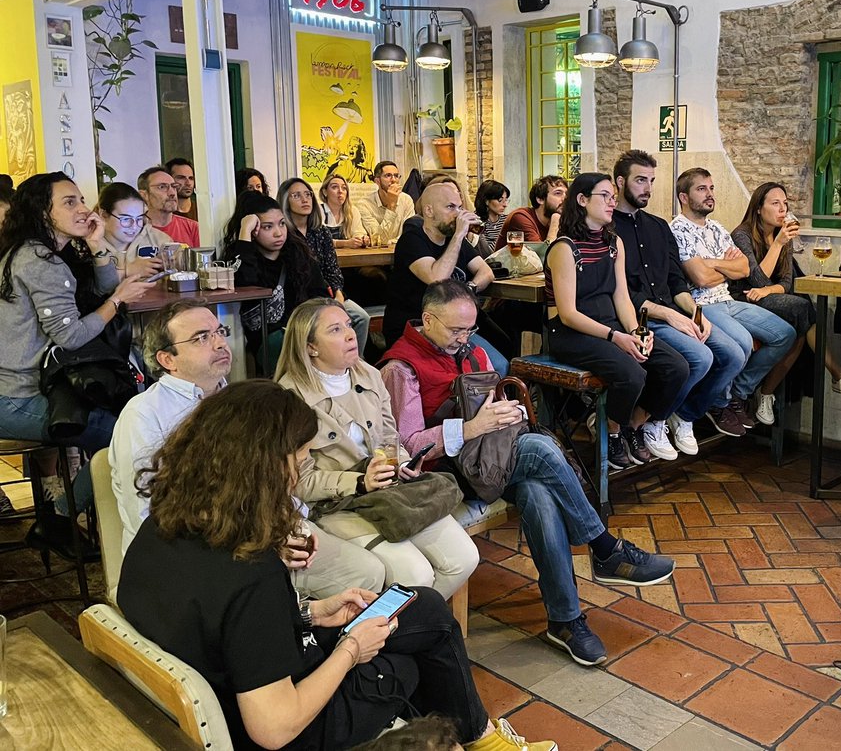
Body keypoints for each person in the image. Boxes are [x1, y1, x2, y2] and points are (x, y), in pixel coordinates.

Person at [118, 379, 556, 751]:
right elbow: (274, 728)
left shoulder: (161, 528)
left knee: (420, 607)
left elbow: (228, 632)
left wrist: (310, 613)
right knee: (406, 665)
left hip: (234, 685)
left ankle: (478, 737)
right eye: (299, 456)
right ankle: (466, 739)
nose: (302, 468)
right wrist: (350, 651)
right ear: (264, 467)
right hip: (281, 729)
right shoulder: (251, 577)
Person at [382, 280, 675, 666]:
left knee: (538, 493)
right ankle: (604, 548)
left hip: (490, 459)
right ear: (427, 319)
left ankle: (565, 621)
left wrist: (508, 412)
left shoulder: (470, 349)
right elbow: (407, 449)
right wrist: (470, 428)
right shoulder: (400, 368)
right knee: (538, 448)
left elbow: (495, 402)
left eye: (470, 330)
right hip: (446, 476)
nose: (465, 339)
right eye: (456, 331)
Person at [111, 299, 386, 599]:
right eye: (202, 337)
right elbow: (148, 516)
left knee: (370, 571)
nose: (219, 343)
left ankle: (324, 635)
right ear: (167, 359)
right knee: (365, 575)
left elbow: (270, 478)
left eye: (220, 331)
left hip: (261, 529)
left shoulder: (236, 398)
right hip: (199, 554)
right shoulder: (144, 414)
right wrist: (259, 543)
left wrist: (293, 522)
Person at [276, 298, 479, 598]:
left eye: (348, 325)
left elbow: (390, 437)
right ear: (310, 347)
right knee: (415, 574)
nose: (349, 334)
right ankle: (391, 637)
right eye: (335, 329)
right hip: (337, 505)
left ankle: (409, 632)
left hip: (389, 493)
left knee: (465, 558)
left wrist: (406, 462)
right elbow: (299, 484)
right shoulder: (289, 398)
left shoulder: (368, 374)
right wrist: (359, 481)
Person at [0, 173, 150, 535]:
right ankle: (60, 519)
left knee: (131, 423)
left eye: (81, 200)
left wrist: (97, 244)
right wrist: (118, 302)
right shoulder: (39, 261)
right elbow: (70, 335)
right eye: (70, 202)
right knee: (127, 437)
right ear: (42, 210)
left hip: (36, 389)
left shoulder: (43, 251)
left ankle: (78, 519)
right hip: (14, 398)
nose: (83, 209)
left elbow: (97, 294)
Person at [545, 173, 690, 470]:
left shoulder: (613, 243)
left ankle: (633, 424)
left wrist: (637, 330)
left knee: (675, 366)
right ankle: (610, 431)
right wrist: (616, 337)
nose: (613, 203)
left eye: (613, 197)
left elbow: (622, 297)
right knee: (632, 373)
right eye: (605, 197)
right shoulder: (564, 247)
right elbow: (569, 314)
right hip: (573, 333)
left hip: (612, 325)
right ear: (582, 200)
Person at [611, 150, 747, 457]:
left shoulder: (658, 227)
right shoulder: (609, 230)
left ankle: (680, 414)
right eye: (640, 180)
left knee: (729, 353)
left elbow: (675, 281)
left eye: (652, 181)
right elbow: (619, 293)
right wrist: (672, 317)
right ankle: (647, 420)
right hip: (634, 319)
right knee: (699, 358)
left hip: (671, 311)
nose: (647, 188)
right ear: (621, 182)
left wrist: (695, 313)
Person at [731, 182, 841, 423]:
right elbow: (755, 279)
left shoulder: (782, 234)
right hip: (744, 297)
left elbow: (787, 282)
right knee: (803, 308)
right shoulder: (742, 235)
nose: (782, 209)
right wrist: (777, 245)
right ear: (758, 208)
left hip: (767, 296)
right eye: (775, 203)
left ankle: (766, 394)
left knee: (800, 323)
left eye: (785, 204)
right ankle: (838, 376)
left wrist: (768, 290)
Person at [670, 168, 796, 436]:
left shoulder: (716, 228)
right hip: (702, 305)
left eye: (712, 188)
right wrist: (724, 267)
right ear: (684, 196)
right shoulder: (678, 229)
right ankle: (715, 403)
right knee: (743, 345)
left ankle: (736, 393)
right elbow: (701, 279)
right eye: (702, 189)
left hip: (728, 300)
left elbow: (744, 269)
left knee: (786, 334)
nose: (710, 194)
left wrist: (714, 263)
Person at [381, 182, 508, 372]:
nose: (457, 214)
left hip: (456, 327)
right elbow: (437, 278)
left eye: (459, 207)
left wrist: (468, 289)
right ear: (429, 211)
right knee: (494, 366)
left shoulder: (454, 241)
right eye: (450, 207)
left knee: (504, 350)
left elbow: (486, 272)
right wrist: (459, 235)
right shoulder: (412, 240)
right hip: (419, 328)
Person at [222, 191, 329, 372]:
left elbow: (319, 293)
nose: (278, 233)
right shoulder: (241, 254)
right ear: (253, 230)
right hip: (268, 338)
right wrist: (244, 233)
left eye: (281, 224)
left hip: (304, 328)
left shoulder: (298, 253)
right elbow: (244, 282)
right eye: (267, 227)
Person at [279, 178, 371, 354]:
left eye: (307, 195)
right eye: (296, 196)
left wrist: (338, 295)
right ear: (285, 201)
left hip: (329, 293)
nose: (305, 200)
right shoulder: (284, 234)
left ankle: (353, 364)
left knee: (361, 317)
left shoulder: (320, 231)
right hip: (303, 299)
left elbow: (333, 269)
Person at [94, 182, 172, 281]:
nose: (134, 227)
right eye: (126, 219)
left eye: (139, 219)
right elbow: (89, 289)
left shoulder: (159, 239)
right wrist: (127, 270)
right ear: (103, 215)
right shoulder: (88, 246)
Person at [138, 165, 200, 247]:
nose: (172, 193)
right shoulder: (133, 229)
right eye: (162, 187)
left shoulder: (193, 228)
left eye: (174, 187)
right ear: (143, 195)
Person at [359, 161, 417, 244]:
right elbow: (379, 239)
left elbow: (409, 234)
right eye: (388, 176)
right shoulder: (364, 204)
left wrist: (390, 242)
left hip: (403, 249)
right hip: (378, 254)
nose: (393, 180)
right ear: (377, 181)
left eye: (396, 176)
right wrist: (391, 206)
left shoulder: (406, 199)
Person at [501, 175, 566, 243]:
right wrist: (555, 223)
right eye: (558, 193)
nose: (565, 198)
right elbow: (542, 253)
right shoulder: (520, 217)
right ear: (540, 199)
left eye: (567, 194)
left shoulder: (563, 219)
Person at [320, 174, 368, 248]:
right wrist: (346, 243)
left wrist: (361, 239)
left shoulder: (352, 211)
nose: (340, 191)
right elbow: (319, 241)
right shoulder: (318, 211)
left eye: (344, 188)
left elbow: (358, 232)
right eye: (334, 187)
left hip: (347, 257)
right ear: (325, 192)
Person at [473, 180, 509, 252]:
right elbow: (485, 252)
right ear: (486, 201)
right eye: (500, 200)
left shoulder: (507, 220)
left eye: (506, 200)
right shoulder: (475, 222)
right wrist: (505, 239)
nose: (505, 205)